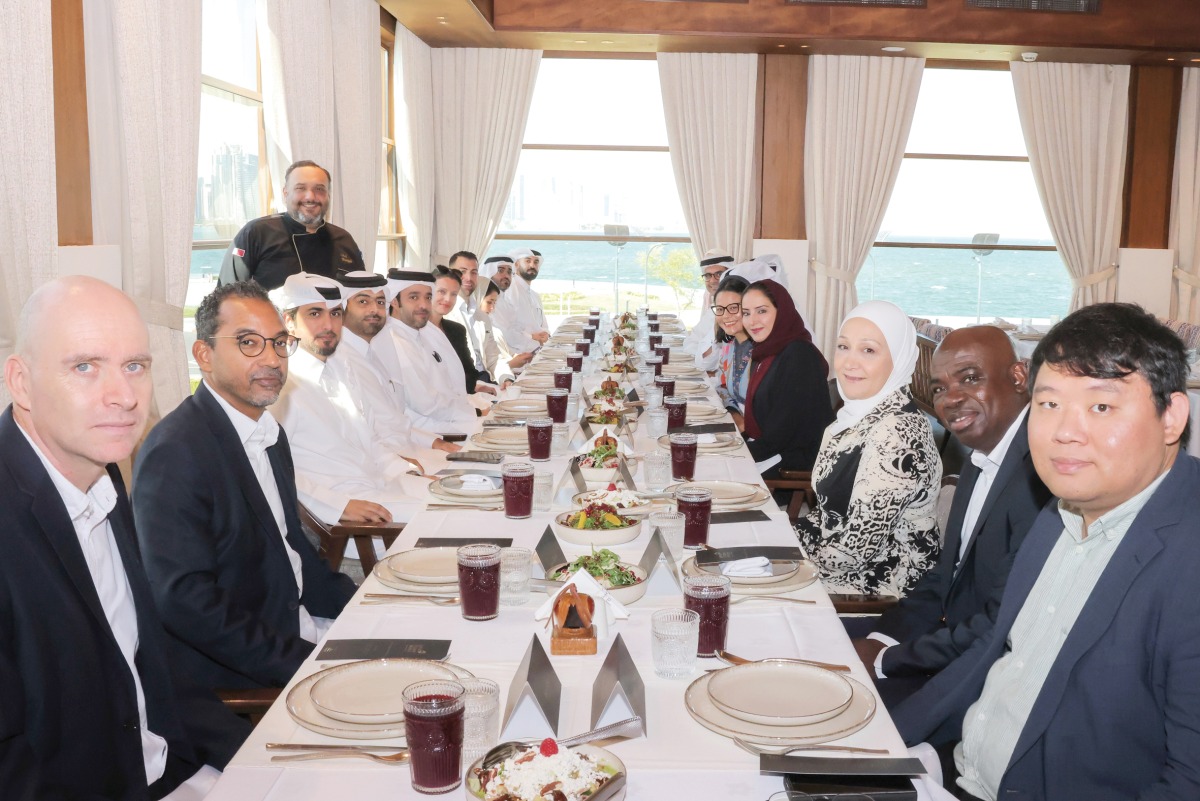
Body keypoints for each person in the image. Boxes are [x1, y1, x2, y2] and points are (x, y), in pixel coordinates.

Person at [893, 303, 1200, 801]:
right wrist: (884, 739)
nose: (1063, 432)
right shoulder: (1059, 509)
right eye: (1049, 404)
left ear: (1172, 417)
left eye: (1101, 407)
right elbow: (994, 650)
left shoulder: (1186, 554)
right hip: (951, 767)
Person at [0, 276, 233, 799]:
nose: (124, 397)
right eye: (84, 367)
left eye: (135, 366)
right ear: (20, 382)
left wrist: (254, 760)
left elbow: (148, 661)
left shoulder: (102, 476)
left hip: (169, 770)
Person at [132, 282, 357, 706]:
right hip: (246, 676)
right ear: (203, 355)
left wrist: (365, 608)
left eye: (278, 343)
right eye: (248, 343)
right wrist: (302, 664)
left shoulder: (269, 435)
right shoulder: (176, 452)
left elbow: (294, 551)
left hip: (301, 627)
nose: (271, 358)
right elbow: (186, 602)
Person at [848, 326, 1051, 707]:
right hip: (946, 645)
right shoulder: (980, 454)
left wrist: (888, 661)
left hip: (986, 684)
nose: (951, 399)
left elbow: (1001, 624)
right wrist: (882, 641)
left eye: (971, 378)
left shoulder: (1044, 476)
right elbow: (947, 574)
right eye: (939, 388)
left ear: (1019, 377)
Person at [795, 300, 941, 596]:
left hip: (883, 592)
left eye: (869, 350)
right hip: (845, 571)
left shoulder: (898, 433)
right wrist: (780, 542)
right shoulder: (858, 415)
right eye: (843, 346)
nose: (849, 362)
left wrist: (786, 566)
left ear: (898, 358)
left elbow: (856, 550)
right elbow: (825, 518)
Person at [270, 273, 429, 525]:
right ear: (289, 321)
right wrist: (338, 506)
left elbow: (370, 440)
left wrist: (404, 471)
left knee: (469, 498)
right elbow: (272, 468)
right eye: (314, 314)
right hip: (346, 515)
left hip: (382, 487)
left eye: (335, 313)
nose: (328, 325)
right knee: (453, 515)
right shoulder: (280, 385)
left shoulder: (341, 370)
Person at [331, 271, 460, 457]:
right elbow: (364, 436)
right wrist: (402, 465)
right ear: (342, 307)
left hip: (409, 451)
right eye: (363, 302)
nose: (374, 309)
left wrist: (433, 441)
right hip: (386, 465)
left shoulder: (374, 352)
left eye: (380, 302)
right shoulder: (340, 361)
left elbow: (394, 421)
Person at [736, 273, 834, 477]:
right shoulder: (767, 351)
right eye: (746, 313)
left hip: (793, 463)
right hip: (774, 449)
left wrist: (735, 452)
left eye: (761, 311)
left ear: (782, 312)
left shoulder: (799, 355)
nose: (752, 321)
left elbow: (783, 434)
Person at [217, 160, 364, 290]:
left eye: (319, 189)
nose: (310, 197)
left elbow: (361, 292)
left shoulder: (344, 239)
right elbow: (226, 295)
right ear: (285, 193)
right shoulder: (256, 233)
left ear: (328, 195)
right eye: (300, 188)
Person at [381, 269, 483, 432]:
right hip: (426, 432)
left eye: (428, 297)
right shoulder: (395, 342)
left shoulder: (426, 332)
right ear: (393, 300)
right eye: (413, 297)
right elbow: (427, 405)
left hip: (450, 420)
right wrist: (475, 414)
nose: (423, 305)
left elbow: (453, 384)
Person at [430, 265, 496, 396]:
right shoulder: (416, 331)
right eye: (442, 292)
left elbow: (469, 372)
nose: (448, 299)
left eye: (453, 294)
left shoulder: (456, 330)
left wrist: (475, 387)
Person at [478, 256, 533, 372]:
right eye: (500, 270)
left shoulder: (506, 302)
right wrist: (512, 362)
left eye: (509, 272)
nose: (506, 275)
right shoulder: (475, 320)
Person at [711, 273, 753, 425]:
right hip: (738, 427)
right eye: (720, 309)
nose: (726, 316)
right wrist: (735, 415)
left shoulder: (763, 351)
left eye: (734, 308)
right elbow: (722, 388)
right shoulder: (730, 346)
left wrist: (743, 425)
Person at [490, 248, 549, 352]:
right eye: (527, 261)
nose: (532, 265)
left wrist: (545, 334)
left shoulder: (535, 296)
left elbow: (543, 325)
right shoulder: (509, 290)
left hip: (537, 349)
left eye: (536, 262)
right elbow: (507, 328)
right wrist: (531, 337)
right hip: (518, 353)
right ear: (516, 265)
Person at [682, 253, 735, 372]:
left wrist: (700, 355)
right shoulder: (714, 308)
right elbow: (690, 342)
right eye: (707, 275)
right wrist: (700, 355)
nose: (712, 280)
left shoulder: (735, 313)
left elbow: (708, 361)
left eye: (718, 274)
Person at [474, 279, 518, 384]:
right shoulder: (458, 325)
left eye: (494, 303)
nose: (492, 308)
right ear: (477, 298)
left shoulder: (485, 323)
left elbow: (493, 358)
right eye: (489, 302)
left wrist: (506, 379)